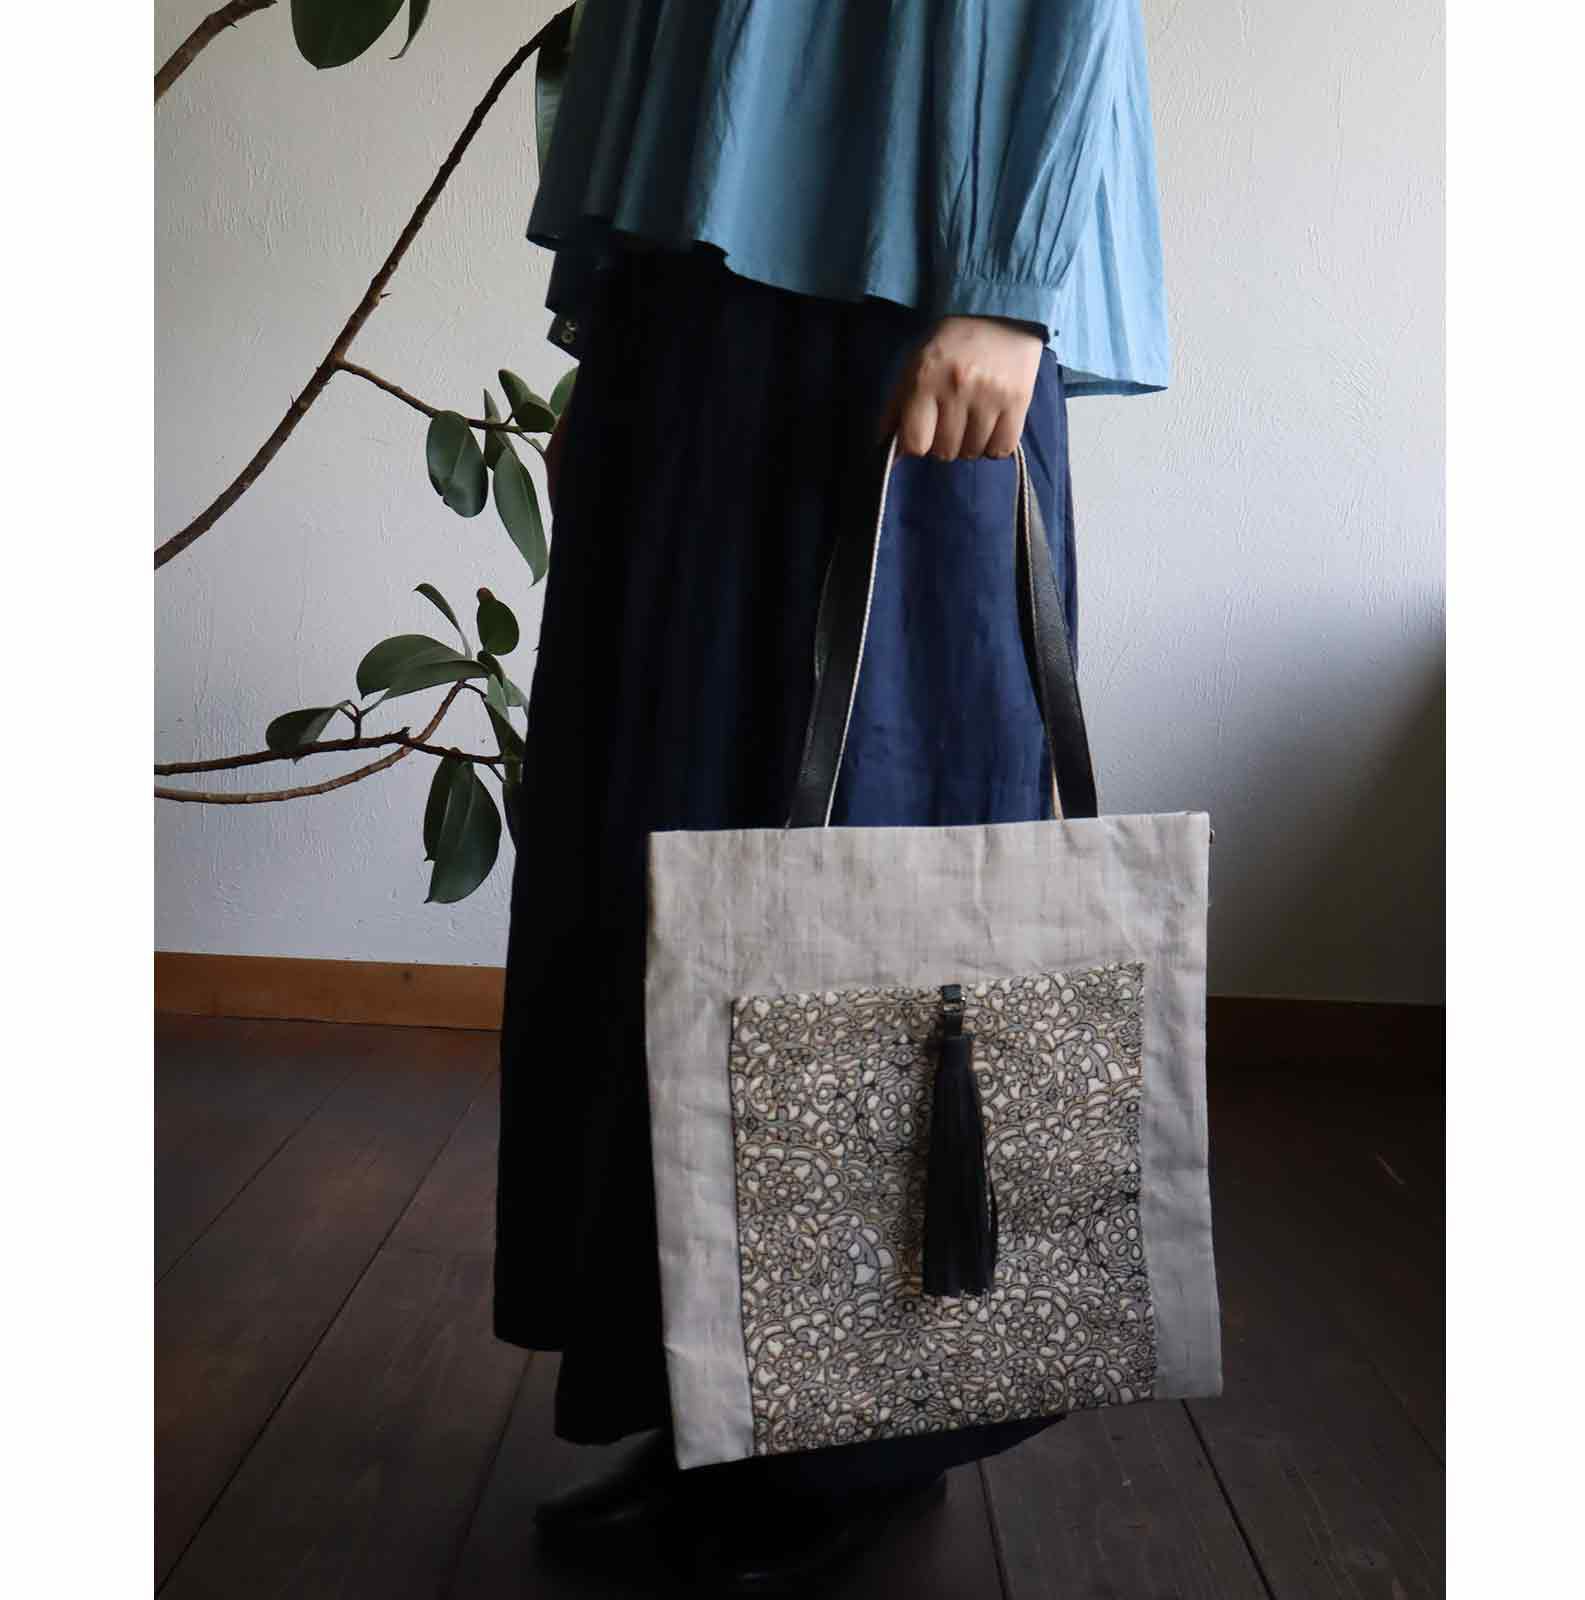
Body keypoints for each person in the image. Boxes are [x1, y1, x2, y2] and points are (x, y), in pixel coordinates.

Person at [494, 1, 1169, 1589]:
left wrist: (1004, 282)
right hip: (693, 274)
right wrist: (619, 295)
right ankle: (702, 1399)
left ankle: (851, 1444)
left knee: (871, 837)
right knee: (667, 833)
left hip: (915, 257)